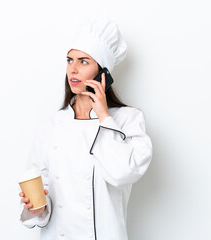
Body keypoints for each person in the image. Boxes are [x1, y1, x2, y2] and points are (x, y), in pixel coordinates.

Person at [19, 17, 153, 240]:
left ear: (103, 72)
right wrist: (37, 209)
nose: (73, 69)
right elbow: (44, 196)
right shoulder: (50, 127)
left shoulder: (129, 120)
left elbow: (122, 173)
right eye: (70, 60)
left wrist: (103, 116)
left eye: (83, 62)